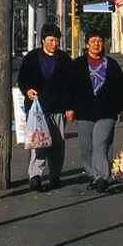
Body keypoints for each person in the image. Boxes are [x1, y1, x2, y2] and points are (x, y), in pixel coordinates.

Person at [67, 31, 123, 193]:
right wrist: (68, 107)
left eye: (99, 41)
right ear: (87, 44)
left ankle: (102, 177)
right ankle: (94, 175)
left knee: (100, 144)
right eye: (93, 41)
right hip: (84, 111)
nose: (96, 44)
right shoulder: (78, 64)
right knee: (87, 146)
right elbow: (69, 88)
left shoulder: (111, 64)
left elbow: (121, 87)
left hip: (107, 111)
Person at [17, 23, 73, 192]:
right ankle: (35, 175)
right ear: (43, 41)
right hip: (36, 108)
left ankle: (55, 174)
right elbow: (22, 79)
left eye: (56, 40)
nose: (54, 44)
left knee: (57, 142)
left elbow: (71, 85)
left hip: (58, 107)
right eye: (51, 40)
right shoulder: (32, 57)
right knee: (37, 141)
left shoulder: (64, 59)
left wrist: (69, 107)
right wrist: (27, 90)